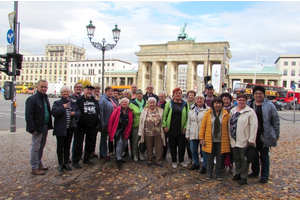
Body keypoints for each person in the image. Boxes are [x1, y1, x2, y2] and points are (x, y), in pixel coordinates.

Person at [247, 86, 280, 183]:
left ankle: (264, 175)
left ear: (264, 94)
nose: (258, 95)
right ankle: (255, 171)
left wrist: (276, 133)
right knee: (253, 154)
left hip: (264, 134)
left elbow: (275, 120)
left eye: (260, 93)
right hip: (252, 134)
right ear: (253, 94)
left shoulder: (270, 106)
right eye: (256, 93)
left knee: (264, 155)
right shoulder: (249, 104)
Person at [25, 80, 53, 175]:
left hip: (44, 125)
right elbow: (29, 115)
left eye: (45, 87)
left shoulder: (45, 98)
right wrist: (32, 128)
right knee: (36, 146)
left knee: (41, 145)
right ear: (37, 87)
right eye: (42, 87)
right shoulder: (32, 99)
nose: (43, 89)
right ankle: (34, 167)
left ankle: (39, 163)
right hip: (37, 126)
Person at [199, 97, 230, 181]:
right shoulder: (208, 113)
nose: (218, 105)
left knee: (220, 158)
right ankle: (209, 173)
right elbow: (203, 126)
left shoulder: (226, 114)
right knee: (210, 157)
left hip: (221, 140)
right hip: (210, 139)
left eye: (219, 103)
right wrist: (201, 137)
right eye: (216, 103)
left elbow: (228, 127)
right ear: (213, 104)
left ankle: (219, 173)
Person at [230, 94, 258, 185]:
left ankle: (243, 176)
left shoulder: (250, 112)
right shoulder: (232, 111)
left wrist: (251, 139)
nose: (241, 102)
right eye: (239, 100)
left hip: (244, 139)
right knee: (236, 158)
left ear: (246, 101)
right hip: (234, 139)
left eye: (243, 100)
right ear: (236, 100)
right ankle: (237, 172)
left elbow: (254, 126)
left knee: (244, 159)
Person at [52, 85, 81, 172]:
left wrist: (74, 113)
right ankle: (60, 163)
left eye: (67, 92)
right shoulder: (57, 103)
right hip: (61, 129)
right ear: (61, 93)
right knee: (60, 147)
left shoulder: (73, 103)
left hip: (70, 128)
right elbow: (54, 113)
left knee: (67, 146)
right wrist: (63, 107)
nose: (66, 93)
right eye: (64, 92)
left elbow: (78, 112)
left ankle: (66, 162)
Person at [72, 85, 100, 169]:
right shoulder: (79, 101)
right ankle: (76, 160)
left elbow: (97, 111)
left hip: (92, 126)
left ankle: (86, 158)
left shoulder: (94, 101)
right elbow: (76, 112)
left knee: (89, 143)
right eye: (88, 90)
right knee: (78, 144)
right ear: (84, 91)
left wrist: (97, 123)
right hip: (81, 126)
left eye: (91, 90)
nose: (89, 92)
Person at [163, 87, 189, 169]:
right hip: (171, 128)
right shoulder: (169, 104)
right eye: (176, 93)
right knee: (172, 145)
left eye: (179, 93)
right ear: (173, 95)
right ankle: (174, 161)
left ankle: (181, 160)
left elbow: (188, 117)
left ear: (181, 95)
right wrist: (164, 125)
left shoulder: (185, 104)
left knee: (181, 146)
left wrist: (185, 127)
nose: (178, 95)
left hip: (181, 129)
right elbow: (165, 115)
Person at [138, 97, 166, 167]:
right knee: (149, 146)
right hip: (147, 131)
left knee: (159, 147)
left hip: (158, 132)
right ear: (148, 103)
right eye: (150, 102)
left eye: (153, 102)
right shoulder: (144, 111)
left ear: (156, 103)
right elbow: (141, 121)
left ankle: (158, 160)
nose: (152, 104)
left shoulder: (160, 110)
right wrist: (140, 131)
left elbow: (163, 120)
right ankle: (149, 160)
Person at [186, 93, 209, 170]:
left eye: (201, 99)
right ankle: (196, 163)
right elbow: (189, 123)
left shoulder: (207, 110)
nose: (199, 100)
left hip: (204, 133)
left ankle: (205, 165)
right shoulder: (191, 109)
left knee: (204, 150)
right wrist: (187, 134)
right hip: (193, 132)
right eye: (197, 99)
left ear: (203, 100)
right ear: (195, 100)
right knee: (193, 149)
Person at [108, 98, 133, 168]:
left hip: (125, 130)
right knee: (120, 143)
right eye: (122, 102)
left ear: (128, 104)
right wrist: (110, 132)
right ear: (120, 103)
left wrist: (127, 134)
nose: (124, 103)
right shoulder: (117, 110)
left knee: (125, 144)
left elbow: (130, 123)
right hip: (118, 130)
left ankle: (119, 155)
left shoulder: (129, 111)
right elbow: (111, 121)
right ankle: (118, 158)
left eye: (125, 102)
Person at [99, 86, 118, 161]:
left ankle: (105, 152)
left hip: (112, 122)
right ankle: (103, 153)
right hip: (106, 122)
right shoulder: (103, 100)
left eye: (111, 91)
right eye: (108, 91)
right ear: (105, 92)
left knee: (109, 138)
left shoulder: (112, 99)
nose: (110, 92)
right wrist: (102, 123)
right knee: (104, 139)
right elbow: (101, 112)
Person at [129, 89, 148, 161]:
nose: (139, 95)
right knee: (135, 141)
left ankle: (141, 153)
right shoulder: (132, 104)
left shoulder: (146, 103)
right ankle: (135, 155)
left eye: (140, 93)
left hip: (145, 125)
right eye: (138, 94)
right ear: (136, 95)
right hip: (136, 125)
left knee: (143, 141)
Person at [219, 92, 236, 174]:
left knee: (231, 151)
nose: (226, 101)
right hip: (221, 133)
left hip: (232, 133)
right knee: (221, 151)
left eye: (227, 99)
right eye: (224, 99)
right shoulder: (218, 108)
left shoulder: (234, 109)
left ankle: (230, 165)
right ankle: (222, 166)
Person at [158, 91, 168, 159]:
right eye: (160, 96)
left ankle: (164, 154)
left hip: (164, 124)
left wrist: (165, 125)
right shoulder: (157, 103)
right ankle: (158, 153)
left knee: (164, 140)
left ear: (165, 97)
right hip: (157, 125)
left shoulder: (167, 104)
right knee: (158, 140)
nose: (161, 98)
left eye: (162, 96)